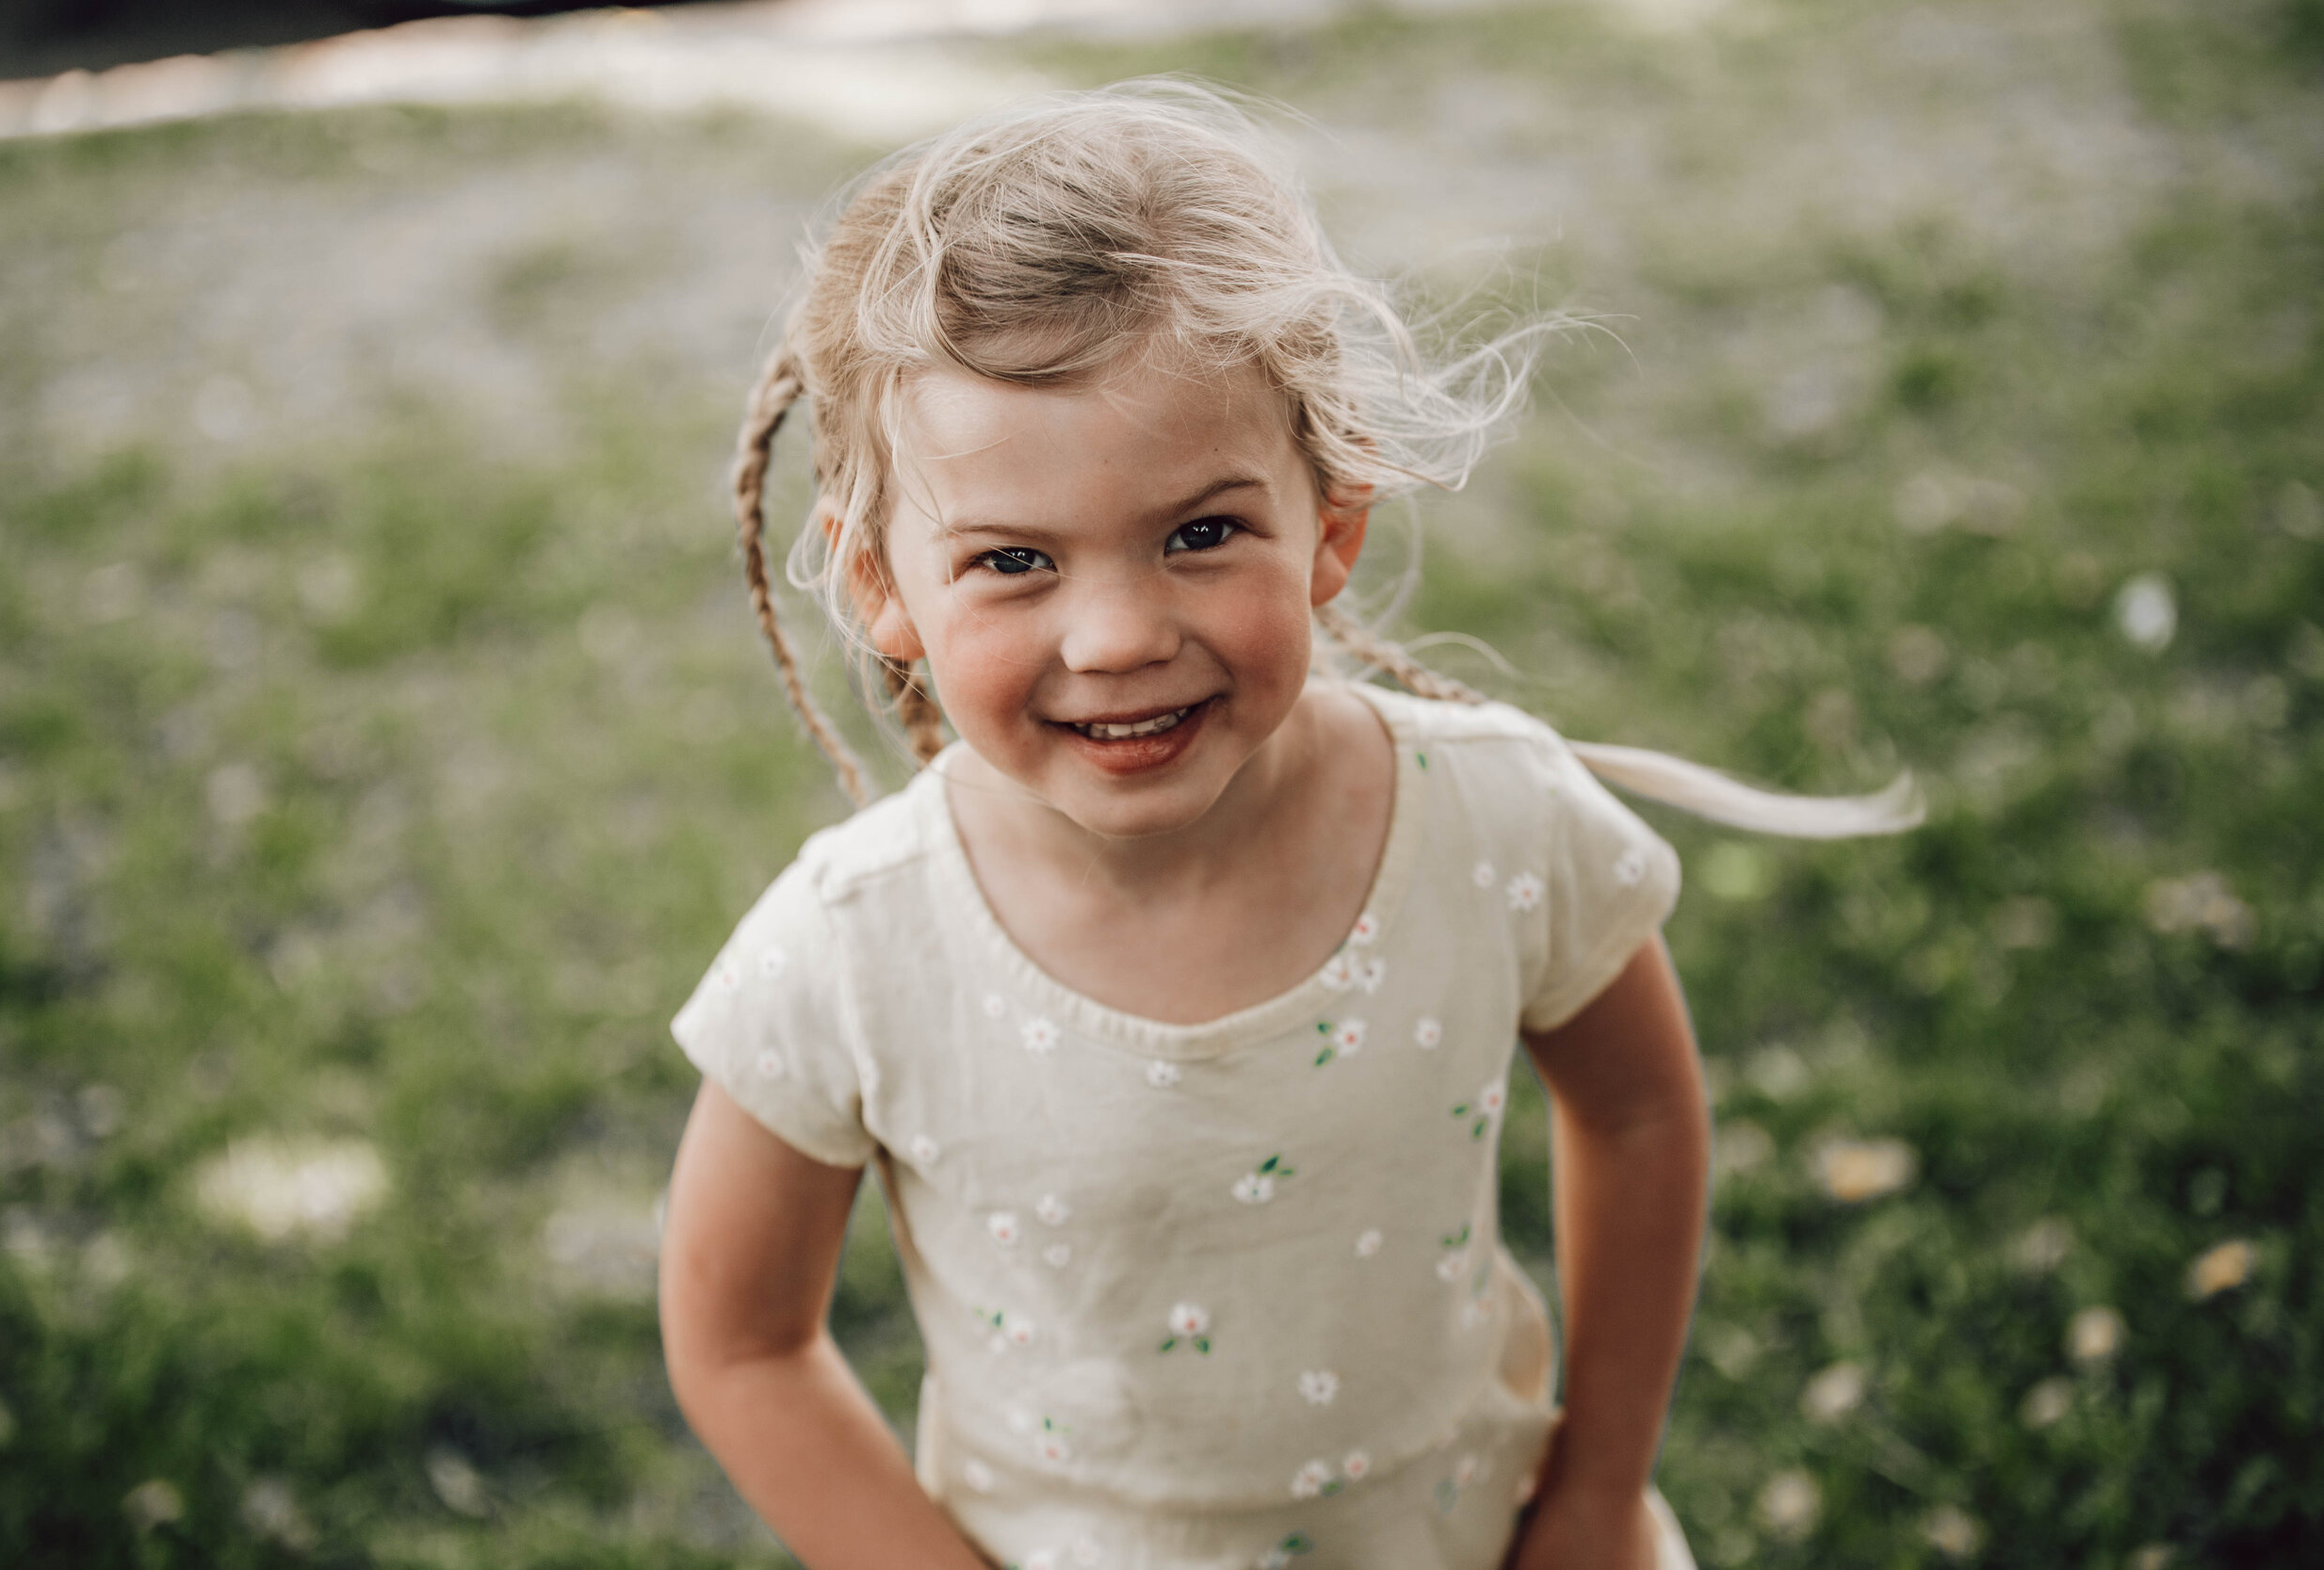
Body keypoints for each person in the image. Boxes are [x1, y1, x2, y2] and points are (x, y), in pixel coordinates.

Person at [656, 81, 1916, 1570]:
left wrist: (1591, 1495)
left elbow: (1639, 1112)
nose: (1119, 635)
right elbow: (738, 1343)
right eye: (1012, 559)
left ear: (1332, 518)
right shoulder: (853, 947)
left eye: (1199, 533)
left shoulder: (1494, 823)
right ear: (880, 584)